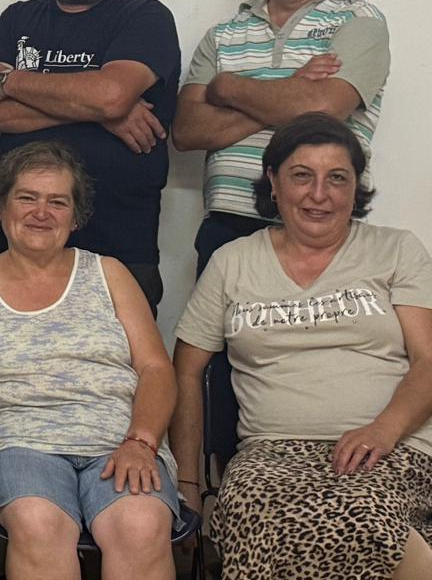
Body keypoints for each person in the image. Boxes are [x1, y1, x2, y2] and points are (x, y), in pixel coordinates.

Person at [170, 113, 432, 580]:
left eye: (337, 178)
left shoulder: (396, 250)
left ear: (356, 185)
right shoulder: (232, 262)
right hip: (270, 453)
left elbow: (428, 360)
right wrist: (187, 482)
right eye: (302, 175)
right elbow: (187, 371)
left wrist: (383, 430)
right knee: (252, 504)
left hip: (388, 446)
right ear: (273, 182)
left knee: (361, 512)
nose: (319, 194)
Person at [0, 141, 182, 580]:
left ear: (76, 216)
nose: (41, 212)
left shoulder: (109, 273)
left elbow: (156, 369)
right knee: (39, 523)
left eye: (57, 202)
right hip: (18, 445)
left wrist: (142, 441)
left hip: (121, 440)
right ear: (0, 208)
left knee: (141, 525)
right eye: (27, 197)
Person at [0, 0, 180, 311]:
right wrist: (97, 113)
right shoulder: (18, 18)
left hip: (120, 250)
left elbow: (111, 95)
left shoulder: (146, 17)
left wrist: (8, 80)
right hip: (21, 249)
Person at [173, 0, 389, 270]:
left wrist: (228, 87)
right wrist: (294, 87)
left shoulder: (360, 21)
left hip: (320, 224)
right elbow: (187, 130)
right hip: (227, 226)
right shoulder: (224, 33)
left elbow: (323, 109)